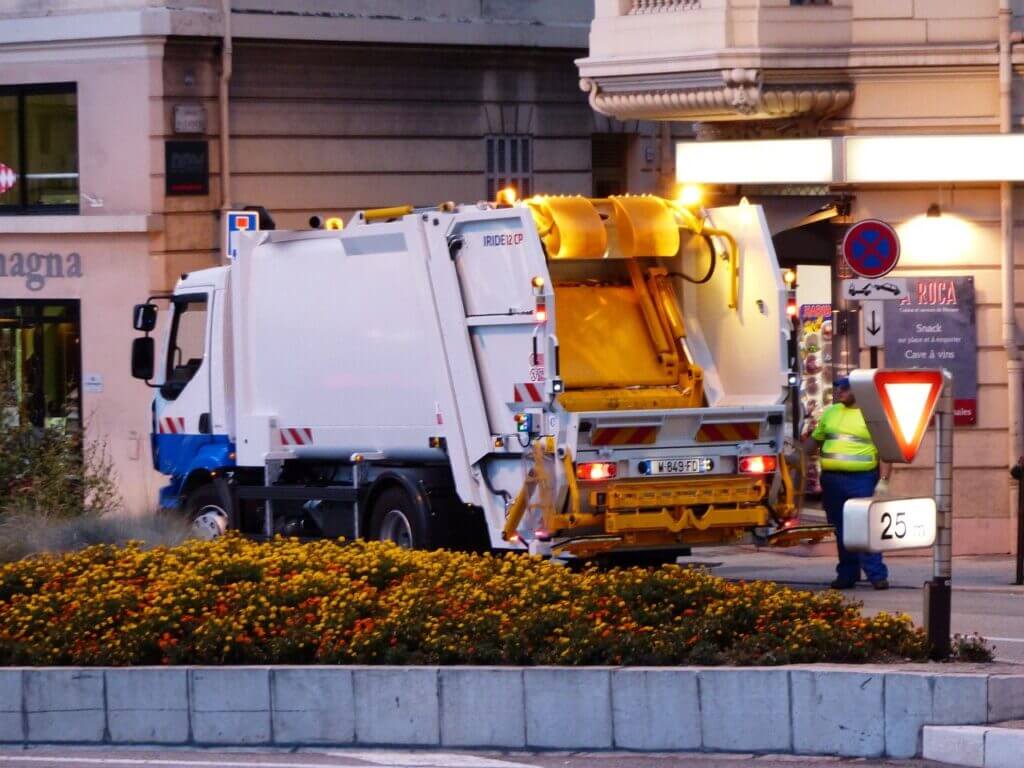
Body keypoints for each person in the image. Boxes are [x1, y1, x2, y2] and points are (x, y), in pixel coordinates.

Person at [804, 376, 891, 590]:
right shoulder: (831, 413)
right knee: (841, 530)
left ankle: (876, 575)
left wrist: (884, 481)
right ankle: (847, 574)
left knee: (863, 527)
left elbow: (886, 452)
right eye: (838, 387)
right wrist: (794, 456)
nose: (839, 391)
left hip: (861, 479)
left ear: (859, 391)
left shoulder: (872, 416)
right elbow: (814, 443)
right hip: (832, 481)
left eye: (844, 388)